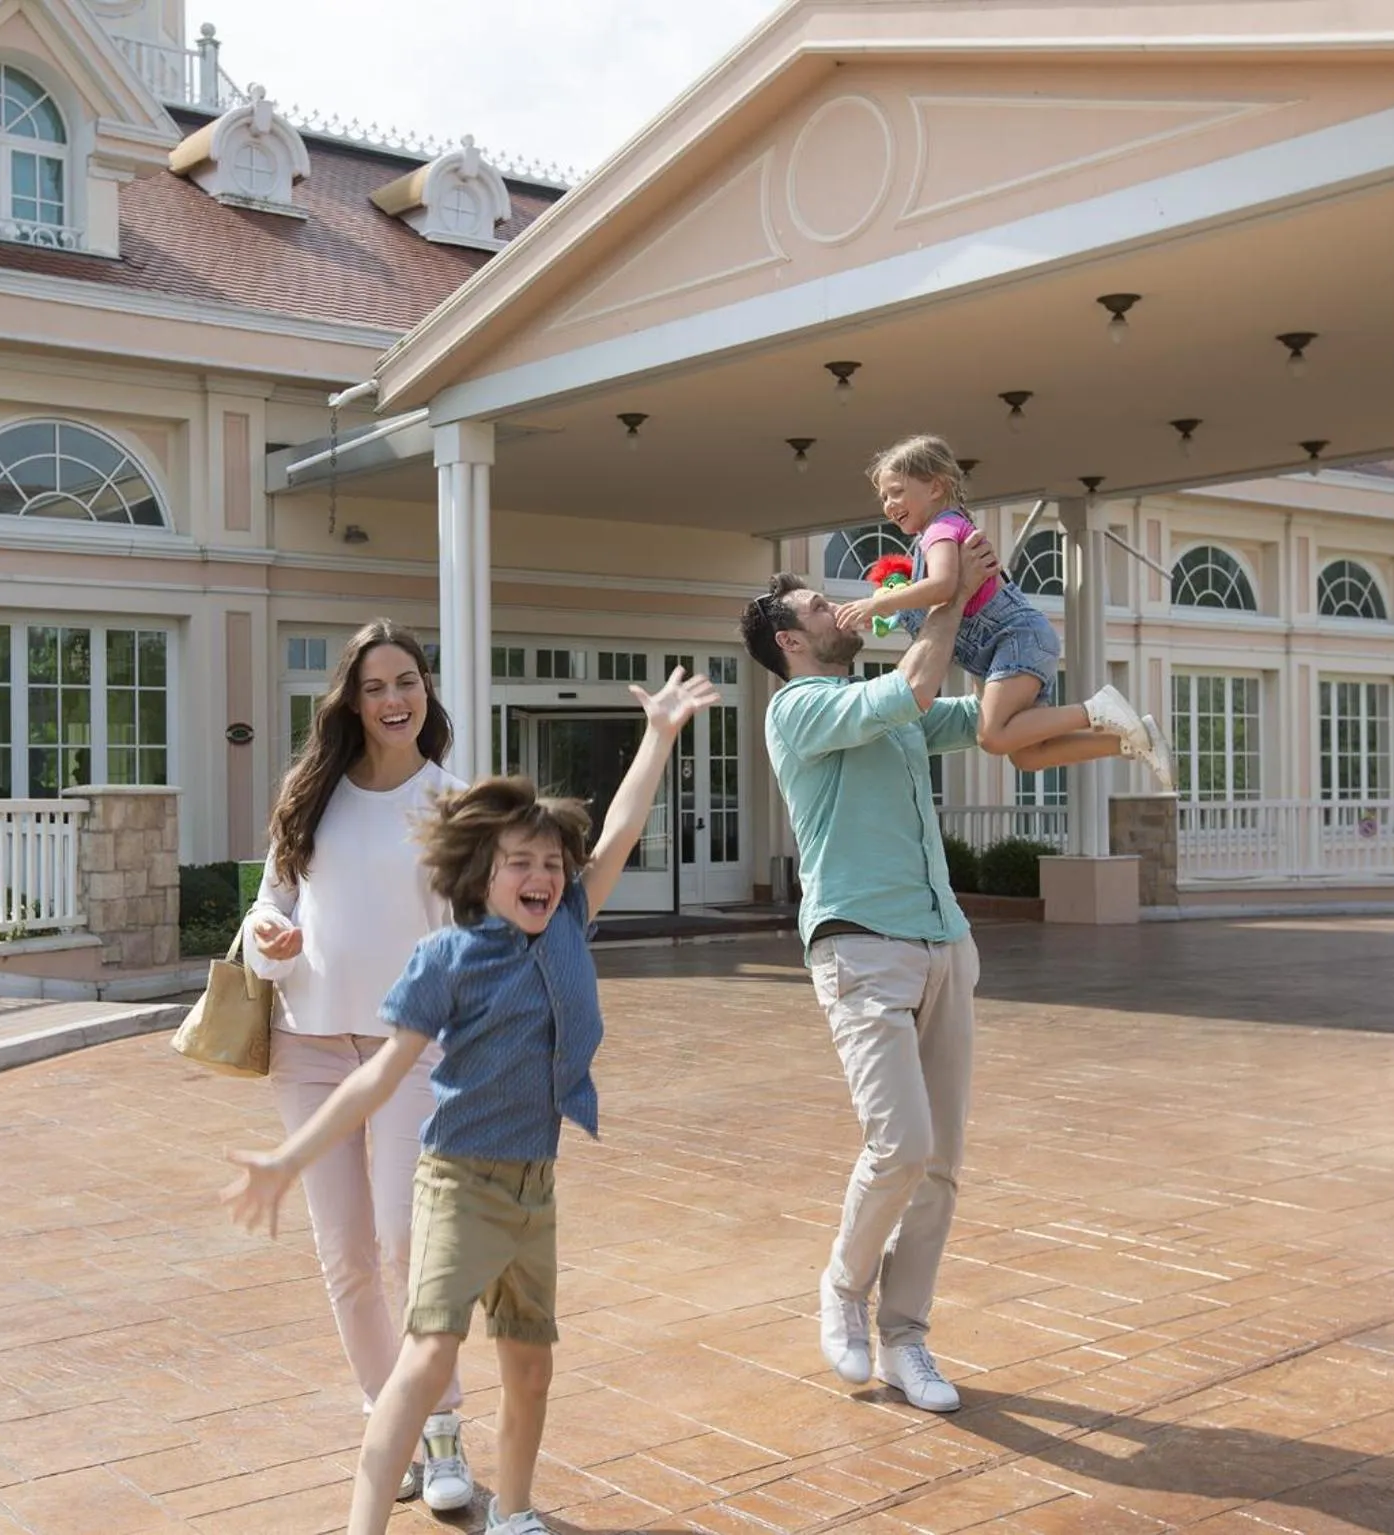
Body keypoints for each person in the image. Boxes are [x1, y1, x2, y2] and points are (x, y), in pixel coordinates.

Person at [223, 666, 721, 1535]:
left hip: (535, 1191)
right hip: (458, 1183)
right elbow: (377, 1079)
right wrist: (287, 1158)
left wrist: (660, 735)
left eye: (550, 864)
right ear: (479, 874)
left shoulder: (565, 920)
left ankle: (516, 1512)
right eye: (519, 863)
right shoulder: (447, 959)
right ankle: (375, 1508)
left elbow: (621, 830)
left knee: (531, 1369)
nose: (540, 875)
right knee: (422, 1361)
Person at [738, 534, 1114, 1417]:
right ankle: (843, 1286)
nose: (843, 611)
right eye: (820, 609)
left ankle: (907, 1334)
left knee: (941, 1165)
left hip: (944, 942)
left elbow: (983, 724)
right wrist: (945, 597)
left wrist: (1096, 718)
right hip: (862, 946)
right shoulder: (796, 710)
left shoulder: (887, 700)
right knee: (900, 1145)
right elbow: (910, 687)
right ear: (790, 641)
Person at [239, 619, 472, 1512]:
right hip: (308, 1046)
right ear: (351, 699)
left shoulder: (453, 801)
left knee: (408, 1243)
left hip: (412, 1049)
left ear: (425, 690)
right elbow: (271, 901)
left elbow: (470, 937)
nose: (393, 699)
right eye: (376, 686)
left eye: (406, 681)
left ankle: (443, 1425)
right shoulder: (311, 793)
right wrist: (269, 937)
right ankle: (393, 1424)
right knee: (344, 1256)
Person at [840, 434, 1173, 789]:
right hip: (1009, 647)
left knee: (992, 736)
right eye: (884, 497)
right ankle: (1132, 740)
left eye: (896, 492)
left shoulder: (940, 529)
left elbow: (943, 586)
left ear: (935, 487)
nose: (888, 504)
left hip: (1015, 640)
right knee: (1028, 754)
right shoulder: (938, 531)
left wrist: (878, 602)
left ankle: (1095, 709)